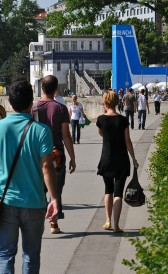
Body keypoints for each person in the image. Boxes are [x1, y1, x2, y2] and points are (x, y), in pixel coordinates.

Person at [0, 80, 58, 273]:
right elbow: (47, 166)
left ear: (10, 102)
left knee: (5, 255)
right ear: (31, 103)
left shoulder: (1, 128)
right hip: (33, 201)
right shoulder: (41, 131)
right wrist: (54, 198)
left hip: (6, 201)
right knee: (31, 255)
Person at [34, 75, 76, 234]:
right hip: (56, 153)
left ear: (41, 88)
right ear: (56, 89)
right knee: (56, 189)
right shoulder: (60, 108)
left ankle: (37, 222)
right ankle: (53, 223)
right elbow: (66, 134)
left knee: (39, 189)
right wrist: (72, 157)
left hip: (38, 154)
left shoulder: (34, 108)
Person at [96, 90, 139, 232]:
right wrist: (133, 158)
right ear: (117, 102)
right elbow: (128, 141)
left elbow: (101, 134)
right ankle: (116, 224)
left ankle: (107, 221)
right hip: (121, 160)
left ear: (105, 102)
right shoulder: (123, 120)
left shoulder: (101, 120)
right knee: (118, 192)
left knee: (108, 190)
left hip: (106, 159)